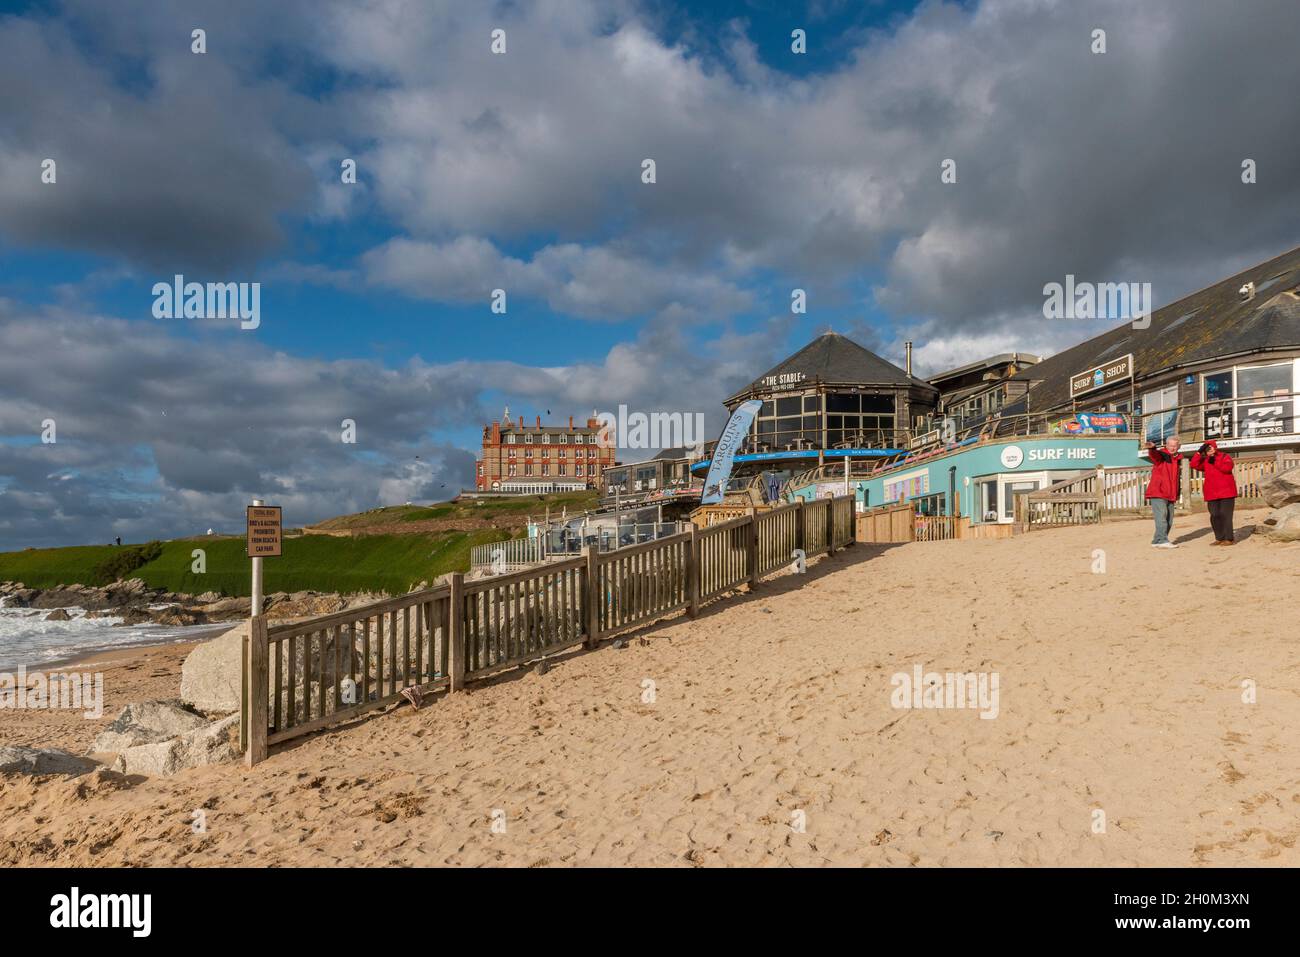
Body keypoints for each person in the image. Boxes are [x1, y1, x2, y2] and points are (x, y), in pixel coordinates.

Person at [1190, 439, 1238, 545]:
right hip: (1211, 492)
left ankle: (1229, 538)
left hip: (1227, 492)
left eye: (1210, 447)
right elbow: (1193, 464)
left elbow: (1227, 468)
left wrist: (1214, 460)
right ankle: (1219, 538)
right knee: (1214, 515)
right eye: (1206, 448)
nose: (1209, 450)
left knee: (1225, 515)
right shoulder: (1205, 460)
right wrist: (1198, 453)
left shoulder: (1224, 456)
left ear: (1215, 448)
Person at [1144, 435, 1183, 548]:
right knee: (1161, 517)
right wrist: (1152, 448)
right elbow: (1154, 455)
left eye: (1175, 446)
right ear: (1166, 445)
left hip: (1171, 494)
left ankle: (1157, 540)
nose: (1172, 448)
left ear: (1178, 446)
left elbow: (1176, 479)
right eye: (1170, 445)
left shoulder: (1177, 459)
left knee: (1169, 520)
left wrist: (1176, 493)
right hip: (1158, 492)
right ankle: (1162, 540)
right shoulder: (1161, 455)